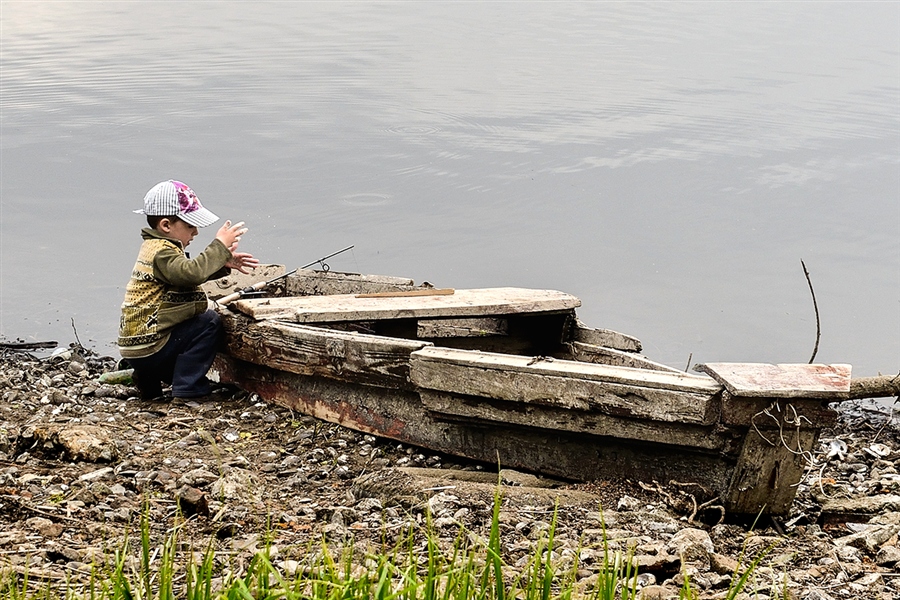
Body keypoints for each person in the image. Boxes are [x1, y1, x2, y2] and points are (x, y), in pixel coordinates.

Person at [117, 180, 258, 401]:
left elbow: (183, 277)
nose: (196, 232)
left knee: (183, 325)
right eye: (190, 225)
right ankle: (189, 389)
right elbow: (191, 274)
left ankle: (148, 381)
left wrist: (221, 263)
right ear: (166, 225)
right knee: (208, 322)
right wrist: (219, 247)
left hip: (136, 348)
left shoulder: (153, 248)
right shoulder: (162, 252)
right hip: (151, 347)